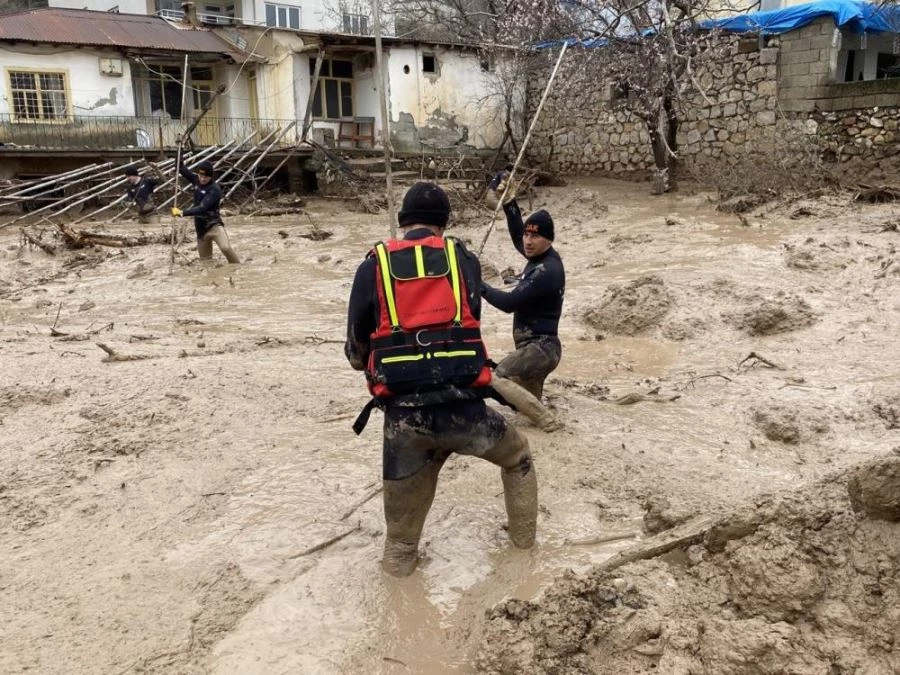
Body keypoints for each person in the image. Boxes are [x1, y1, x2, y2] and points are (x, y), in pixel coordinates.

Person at [345, 181, 538, 578]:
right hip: (465, 413)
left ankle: (398, 612)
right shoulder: (463, 259)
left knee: (399, 546)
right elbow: (469, 326)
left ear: (402, 222)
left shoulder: (371, 267)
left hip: (404, 424)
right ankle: (526, 557)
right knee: (518, 459)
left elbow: (355, 354)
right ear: (444, 223)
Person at [481, 170, 565, 400]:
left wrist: (478, 285)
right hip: (533, 349)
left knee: (497, 378)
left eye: (534, 237)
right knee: (527, 404)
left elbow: (509, 303)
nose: (527, 241)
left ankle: (548, 424)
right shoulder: (538, 257)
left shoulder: (547, 271)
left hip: (541, 349)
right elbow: (518, 233)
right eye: (527, 235)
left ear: (548, 240)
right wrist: (509, 204)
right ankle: (544, 426)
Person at [171, 160, 240, 263]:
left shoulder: (214, 190)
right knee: (205, 262)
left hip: (214, 225)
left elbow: (202, 208)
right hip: (200, 229)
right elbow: (180, 167)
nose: (202, 179)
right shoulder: (196, 180)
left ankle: (237, 267)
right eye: (200, 176)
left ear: (211, 176)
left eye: (206, 177)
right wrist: (180, 148)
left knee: (225, 247)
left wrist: (181, 213)